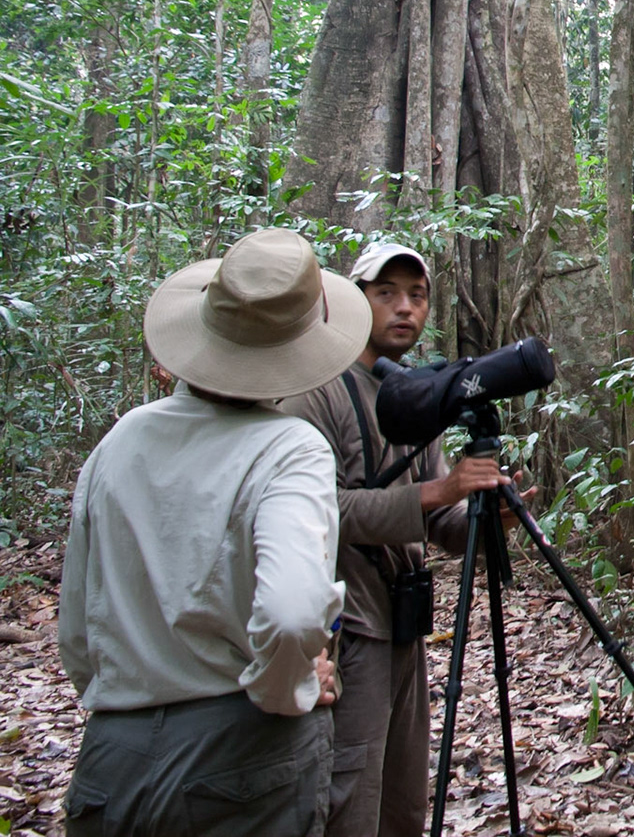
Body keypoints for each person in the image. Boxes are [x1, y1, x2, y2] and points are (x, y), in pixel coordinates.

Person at [59, 227, 371, 837]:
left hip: (110, 758)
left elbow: (77, 625)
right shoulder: (290, 448)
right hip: (241, 756)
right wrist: (290, 688)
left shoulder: (120, 440)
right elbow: (289, 615)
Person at [282, 243, 511, 837]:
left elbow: (437, 525)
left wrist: (492, 521)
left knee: (404, 800)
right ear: (355, 302)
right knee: (350, 796)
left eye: (417, 295)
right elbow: (319, 511)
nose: (404, 308)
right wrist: (442, 492)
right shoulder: (317, 393)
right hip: (346, 629)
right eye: (386, 294)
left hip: (404, 627)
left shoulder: (415, 399)